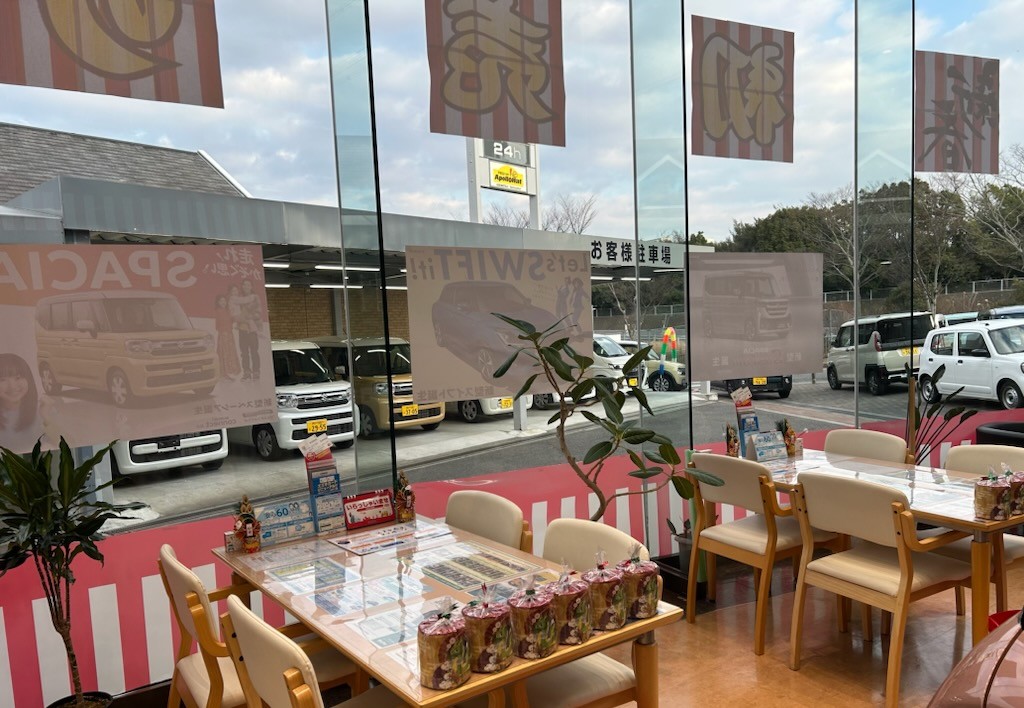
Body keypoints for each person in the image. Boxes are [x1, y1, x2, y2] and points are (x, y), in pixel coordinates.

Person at [0, 353, 41, 453]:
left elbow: (65, 444)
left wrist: (47, 418)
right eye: (2, 380)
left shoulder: (43, 409)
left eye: (18, 378)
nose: (12, 386)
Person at [231, 279, 262, 381]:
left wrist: (250, 317)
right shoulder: (239, 298)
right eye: (244, 284)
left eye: (248, 284)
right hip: (242, 329)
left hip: (252, 330)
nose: (246, 286)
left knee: (254, 352)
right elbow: (235, 313)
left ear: (251, 286)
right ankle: (247, 373)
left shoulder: (255, 298)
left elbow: (258, 313)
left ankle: (256, 372)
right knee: (244, 353)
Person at [214, 294, 242, 380]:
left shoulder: (227, 311)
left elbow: (231, 320)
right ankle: (224, 373)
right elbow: (219, 324)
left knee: (229, 352)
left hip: (229, 334)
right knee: (224, 353)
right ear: (218, 302)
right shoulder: (219, 311)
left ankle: (227, 373)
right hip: (223, 334)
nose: (223, 302)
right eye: (221, 301)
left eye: (224, 301)